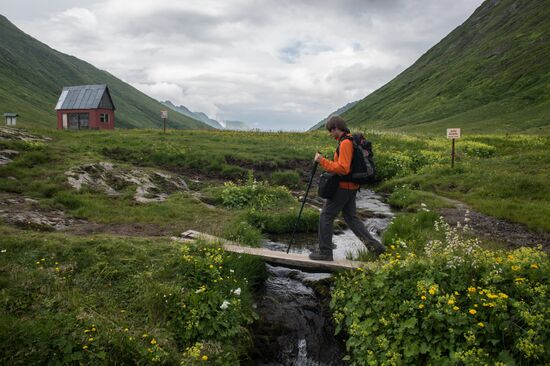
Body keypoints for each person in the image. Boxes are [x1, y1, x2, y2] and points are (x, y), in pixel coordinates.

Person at [309, 116, 386, 261]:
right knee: (351, 218)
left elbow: (343, 169)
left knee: (325, 216)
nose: (330, 134)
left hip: (343, 188)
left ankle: (325, 252)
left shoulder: (345, 143)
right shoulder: (350, 141)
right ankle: (376, 248)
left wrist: (322, 161)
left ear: (336, 128)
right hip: (351, 187)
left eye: (331, 131)